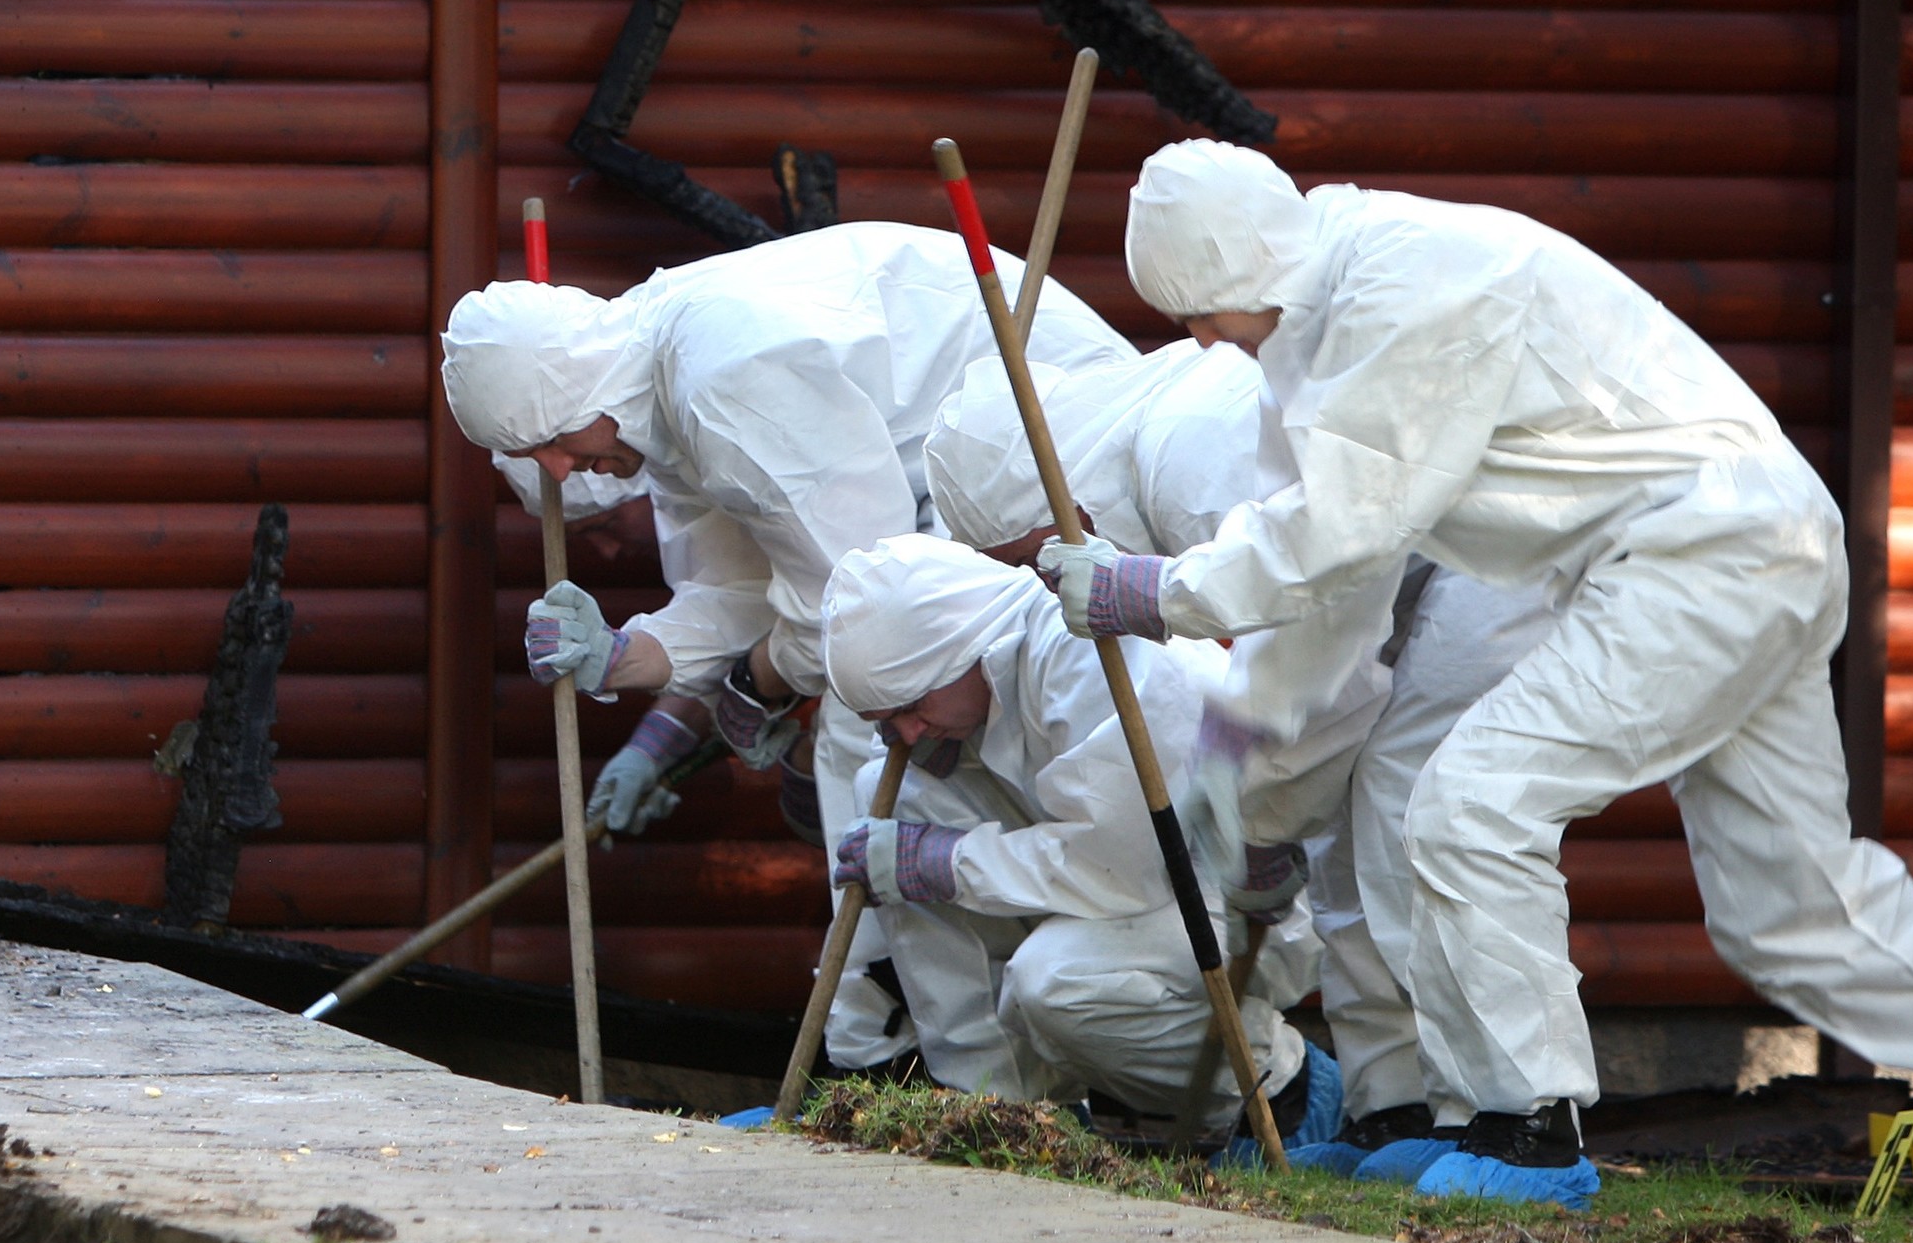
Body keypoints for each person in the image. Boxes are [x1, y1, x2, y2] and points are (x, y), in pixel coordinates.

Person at [1047, 139, 1913, 1209]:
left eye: (1201, 310)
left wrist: (1155, 592)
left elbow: (1335, 536)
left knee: (1471, 804)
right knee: (1792, 920)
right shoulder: (1316, 319)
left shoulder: (1404, 285)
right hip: (1732, 548)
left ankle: (1528, 1134)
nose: (1198, 338)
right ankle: (1483, 1118)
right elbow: (1327, 603)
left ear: (1247, 277)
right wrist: (1246, 773)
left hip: (1705, 554)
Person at [437, 222, 1137, 898]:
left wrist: (761, 677)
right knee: (880, 734)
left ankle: (921, 1003)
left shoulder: (722, 377)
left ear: (581, 391)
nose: (560, 472)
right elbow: (742, 583)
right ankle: (916, 995)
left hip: (1054, 466)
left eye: (554, 441)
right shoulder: (656, 380)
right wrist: (631, 655)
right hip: (956, 489)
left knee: (859, 736)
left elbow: (855, 594)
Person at [922, 341, 1406, 1157]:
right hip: (1358, 662)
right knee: (1360, 864)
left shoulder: (1191, 451)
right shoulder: (1139, 472)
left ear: (1053, 496)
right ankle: (1398, 1116)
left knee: (1404, 848)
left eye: (1026, 556)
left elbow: (1313, 638)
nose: (1038, 580)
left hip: (1407, 629)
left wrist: (1261, 811)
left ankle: (1501, 1125)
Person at [818, 535, 1339, 1143]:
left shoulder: (1092, 665)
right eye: (885, 719)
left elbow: (1118, 871)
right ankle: (1010, 1116)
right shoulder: (975, 687)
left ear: (964, 650)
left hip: (1232, 908)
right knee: (889, 793)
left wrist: (952, 862)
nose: (904, 730)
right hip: (1122, 894)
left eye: (911, 704)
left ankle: (1283, 1093)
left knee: (1055, 987)